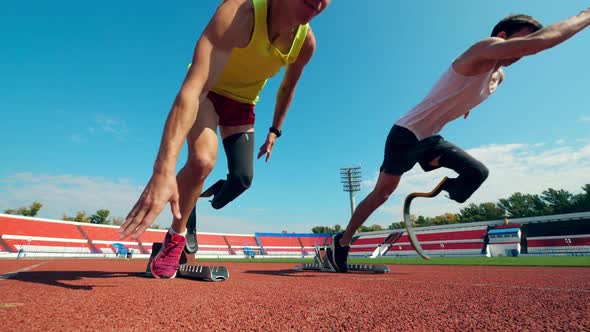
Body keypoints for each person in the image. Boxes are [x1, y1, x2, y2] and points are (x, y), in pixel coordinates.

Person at [327, 9, 590, 272]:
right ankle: (343, 241)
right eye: (522, 41)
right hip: (406, 134)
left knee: (477, 173)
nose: (522, 53)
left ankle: (436, 170)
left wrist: (466, 106)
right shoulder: (484, 48)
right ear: (502, 36)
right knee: (382, 193)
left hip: (431, 138)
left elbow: (466, 91)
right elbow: (539, 44)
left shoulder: (499, 76)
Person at [118, 0, 332, 278]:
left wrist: (274, 131)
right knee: (202, 161)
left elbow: (288, 86)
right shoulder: (240, 13)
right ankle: (175, 237)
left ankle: (192, 197)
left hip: (242, 105)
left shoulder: (305, 44)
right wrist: (163, 168)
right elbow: (193, 89)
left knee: (243, 178)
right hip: (208, 90)